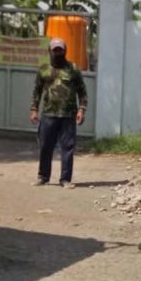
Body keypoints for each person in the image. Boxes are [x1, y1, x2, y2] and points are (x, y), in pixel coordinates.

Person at [30, 38, 88, 188]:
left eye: (60, 50)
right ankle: (43, 176)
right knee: (45, 146)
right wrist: (34, 109)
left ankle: (65, 179)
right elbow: (37, 91)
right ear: (49, 51)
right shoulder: (43, 69)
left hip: (68, 116)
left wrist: (81, 109)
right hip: (48, 115)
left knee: (67, 147)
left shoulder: (73, 69)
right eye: (55, 50)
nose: (57, 53)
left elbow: (82, 92)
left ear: (65, 51)